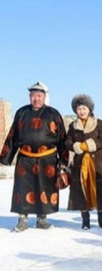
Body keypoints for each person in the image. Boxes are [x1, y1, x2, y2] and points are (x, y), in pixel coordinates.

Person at [0, 82, 68, 232]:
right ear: (29, 96)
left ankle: (41, 219)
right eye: (33, 95)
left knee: (45, 188)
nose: (36, 98)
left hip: (47, 158)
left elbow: (62, 138)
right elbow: (13, 135)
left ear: (44, 96)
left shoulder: (53, 114)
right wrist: (5, 157)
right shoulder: (21, 113)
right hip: (25, 158)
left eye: (39, 95)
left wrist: (63, 160)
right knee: (22, 188)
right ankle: (22, 219)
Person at [65, 94, 102, 229]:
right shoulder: (73, 126)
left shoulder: (98, 123)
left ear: (89, 109)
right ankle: (85, 221)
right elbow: (67, 142)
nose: (81, 111)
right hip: (80, 163)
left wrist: (89, 145)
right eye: (79, 109)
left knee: (99, 190)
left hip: (97, 163)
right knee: (83, 191)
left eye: (84, 108)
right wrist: (76, 146)